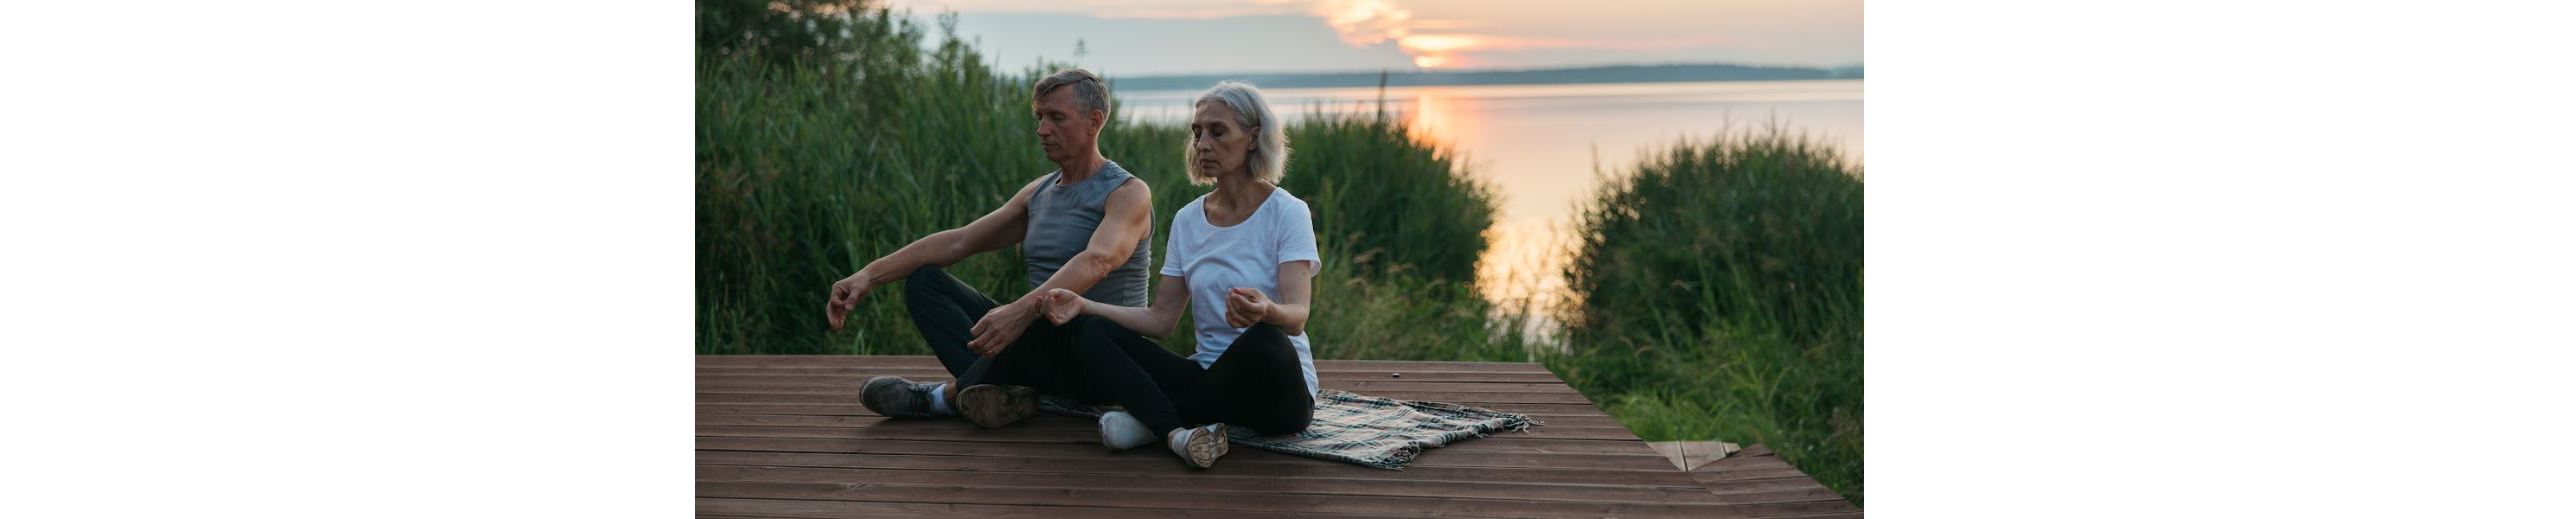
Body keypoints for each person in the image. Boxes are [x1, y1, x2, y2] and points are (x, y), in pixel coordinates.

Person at [824, 68, 1154, 429]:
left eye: (1056, 117)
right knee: (925, 283)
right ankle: (999, 394)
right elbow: (959, 241)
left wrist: (1021, 311)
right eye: (1039, 117)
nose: (1043, 130)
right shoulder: (1039, 193)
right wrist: (867, 276)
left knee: (1047, 318)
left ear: (1094, 121)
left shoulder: (1127, 193)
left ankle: (942, 398)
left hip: (1101, 359)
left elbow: (1099, 260)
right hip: (1042, 348)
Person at [1039, 81, 1319, 469]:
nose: (1202, 144)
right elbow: (1160, 320)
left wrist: (1266, 311)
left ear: (1253, 138)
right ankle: (1177, 432)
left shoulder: (1287, 212)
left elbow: (1297, 317)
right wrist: (1084, 304)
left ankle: (1154, 422)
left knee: (1266, 341)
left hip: (1277, 396)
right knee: (1091, 330)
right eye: (1197, 132)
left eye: (1218, 132)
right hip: (1206, 377)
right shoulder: (1188, 220)